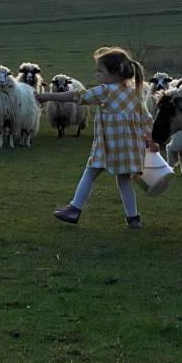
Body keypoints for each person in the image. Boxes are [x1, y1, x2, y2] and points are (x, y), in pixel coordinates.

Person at [36, 46, 157, 229]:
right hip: (128, 149)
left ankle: (74, 209)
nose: (97, 75)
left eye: (100, 71)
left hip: (108, 146)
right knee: (123, 181)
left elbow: (76, 96)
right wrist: (152, 140)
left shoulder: (105, 91)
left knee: (90, 173)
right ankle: (133, 218)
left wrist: (46, 96)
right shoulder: (134, 92)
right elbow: (146, 118)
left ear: (114, 73)